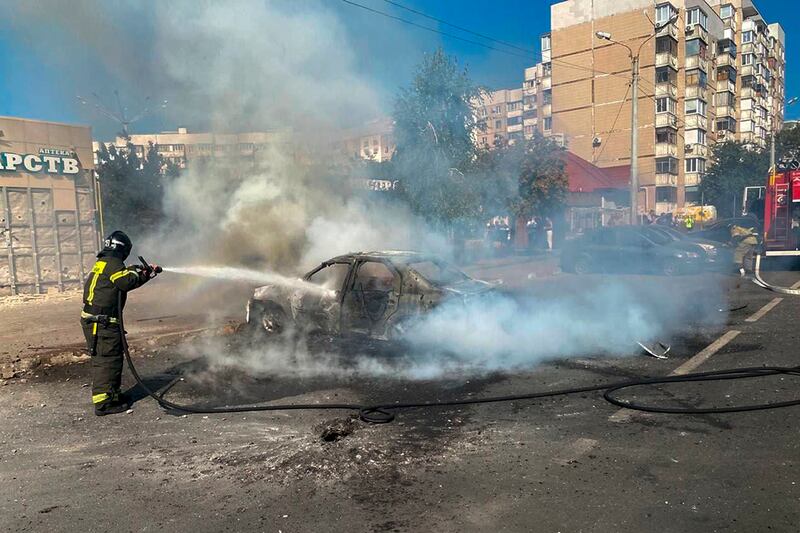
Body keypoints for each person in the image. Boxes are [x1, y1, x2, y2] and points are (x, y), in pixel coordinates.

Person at [80, 231, 159, 416]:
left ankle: (112, 395)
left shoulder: (105, 263)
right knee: (107, 360)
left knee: (112, 358)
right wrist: (146, 274)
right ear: (123, 249)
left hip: (99, 321)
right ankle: (104, 404)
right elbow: (126, 281)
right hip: (102, 322)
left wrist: (140, 270)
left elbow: (122, 276)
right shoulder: (114, 264)